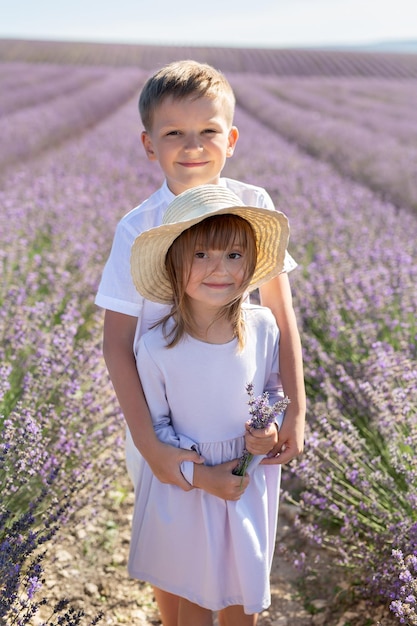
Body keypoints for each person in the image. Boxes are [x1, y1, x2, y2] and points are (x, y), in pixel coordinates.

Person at [95, 60, 306, 495]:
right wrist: (149, 444)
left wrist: (296, 411)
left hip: (242, 409)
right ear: (149, 145)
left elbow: (281, 316)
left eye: (208, 131)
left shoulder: (253, 204)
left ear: (230, 141)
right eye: (173, 133)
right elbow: (116, 344)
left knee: (242, 524)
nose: (192, 146)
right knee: (172, 531)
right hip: (166, 416)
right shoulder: (139, 227)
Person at [129, 184, 291, 626]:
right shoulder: (157, 347)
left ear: (251, 264)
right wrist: (200, 476)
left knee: (244, 591)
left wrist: (270, 429)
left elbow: (273, 391)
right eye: (201, 255)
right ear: (174, 264)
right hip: (191, 485)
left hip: (245, 479)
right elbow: (156, 425)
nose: (220, 268)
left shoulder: (262, 327)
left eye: (235, 255)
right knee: (195, 597)